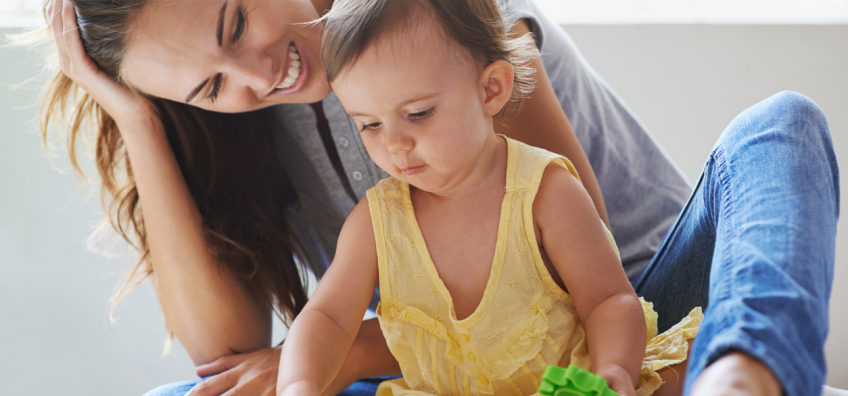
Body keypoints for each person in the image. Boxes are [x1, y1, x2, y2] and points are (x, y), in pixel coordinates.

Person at [40, 0, 838, 394]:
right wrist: (139, 119)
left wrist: (353, 349)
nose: (257, 74)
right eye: (210, 85)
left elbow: (555, 281)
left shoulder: (431, 20)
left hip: (636, 305)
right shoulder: (246, 127)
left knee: (779, 128)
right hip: (454, 365)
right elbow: (225, 350)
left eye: (236, 19)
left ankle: (743, 371)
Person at [275, 1, 703, 395]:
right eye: (369, 125)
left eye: (419, 113)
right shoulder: (375, 222)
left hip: (566, 387)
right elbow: (326, 319)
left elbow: (609, 299)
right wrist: (299, 383)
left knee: (685, 365)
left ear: (491, 89)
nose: (395, 144)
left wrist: (613, 373)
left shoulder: (544, 191)